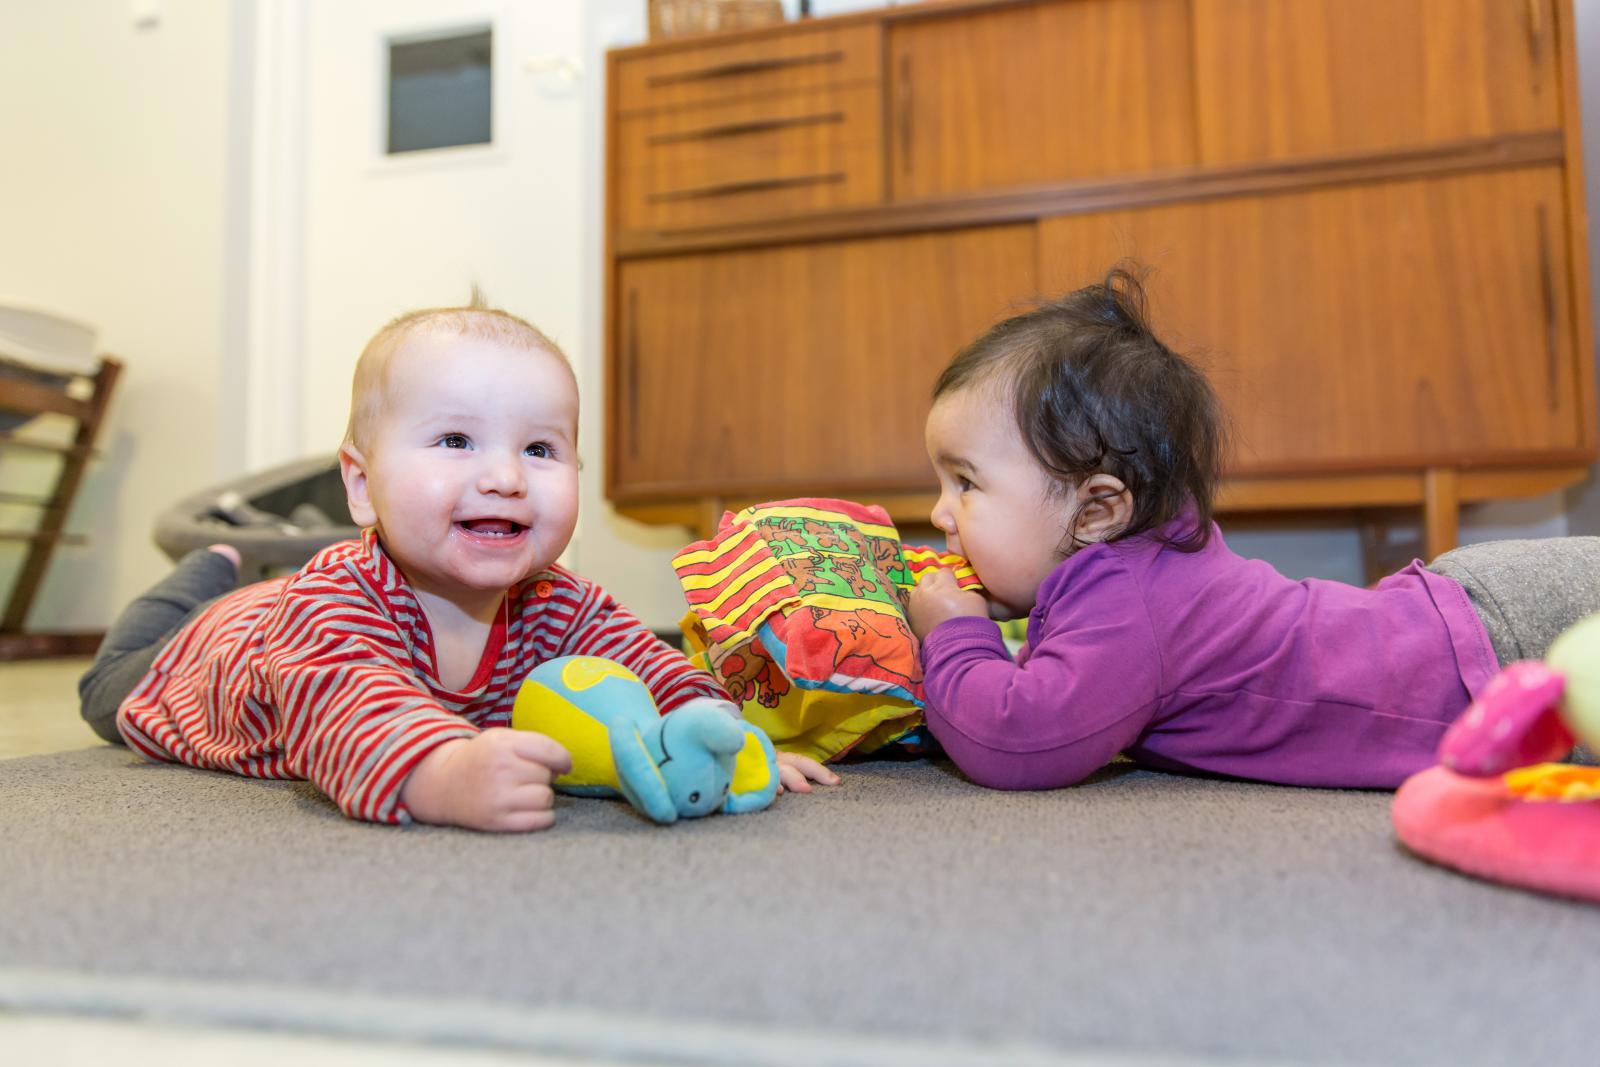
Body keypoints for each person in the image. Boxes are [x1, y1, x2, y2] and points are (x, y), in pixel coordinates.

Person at [80, 302, 835, 830]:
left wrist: (720, 732)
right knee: (107, 680)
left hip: (274, 612)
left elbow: (647, 664)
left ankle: (227, 570)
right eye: (455, 441)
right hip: (189, 661)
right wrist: (440, 771)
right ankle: (208, 568)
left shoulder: (560, 603)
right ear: (359, 484)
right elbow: (351, 713)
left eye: (540, 449)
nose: (506, 476)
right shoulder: (335, 605)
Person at [906, 267, 1600, 790]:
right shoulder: (1152, 559)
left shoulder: (1129, 601)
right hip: (1469, 612)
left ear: (1097, 511)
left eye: (965, 482)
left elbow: (1020, 738)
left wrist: (954, 633)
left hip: (1501, 648)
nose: (940, 513)